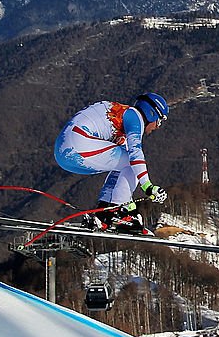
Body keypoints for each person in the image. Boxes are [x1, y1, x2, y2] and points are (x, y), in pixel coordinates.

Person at [53, 93, 170, 235]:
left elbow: (120, 168)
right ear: (152, 114)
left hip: (62, 151)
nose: (158, 126)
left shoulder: (123, 120)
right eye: (160, 120)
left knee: (123, 162)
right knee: (131, 161)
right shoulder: (134, 117)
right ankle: (115, 213)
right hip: (78, 144)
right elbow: (135, 154)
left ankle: (107, 212)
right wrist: (148, 186)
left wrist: (128, 204)